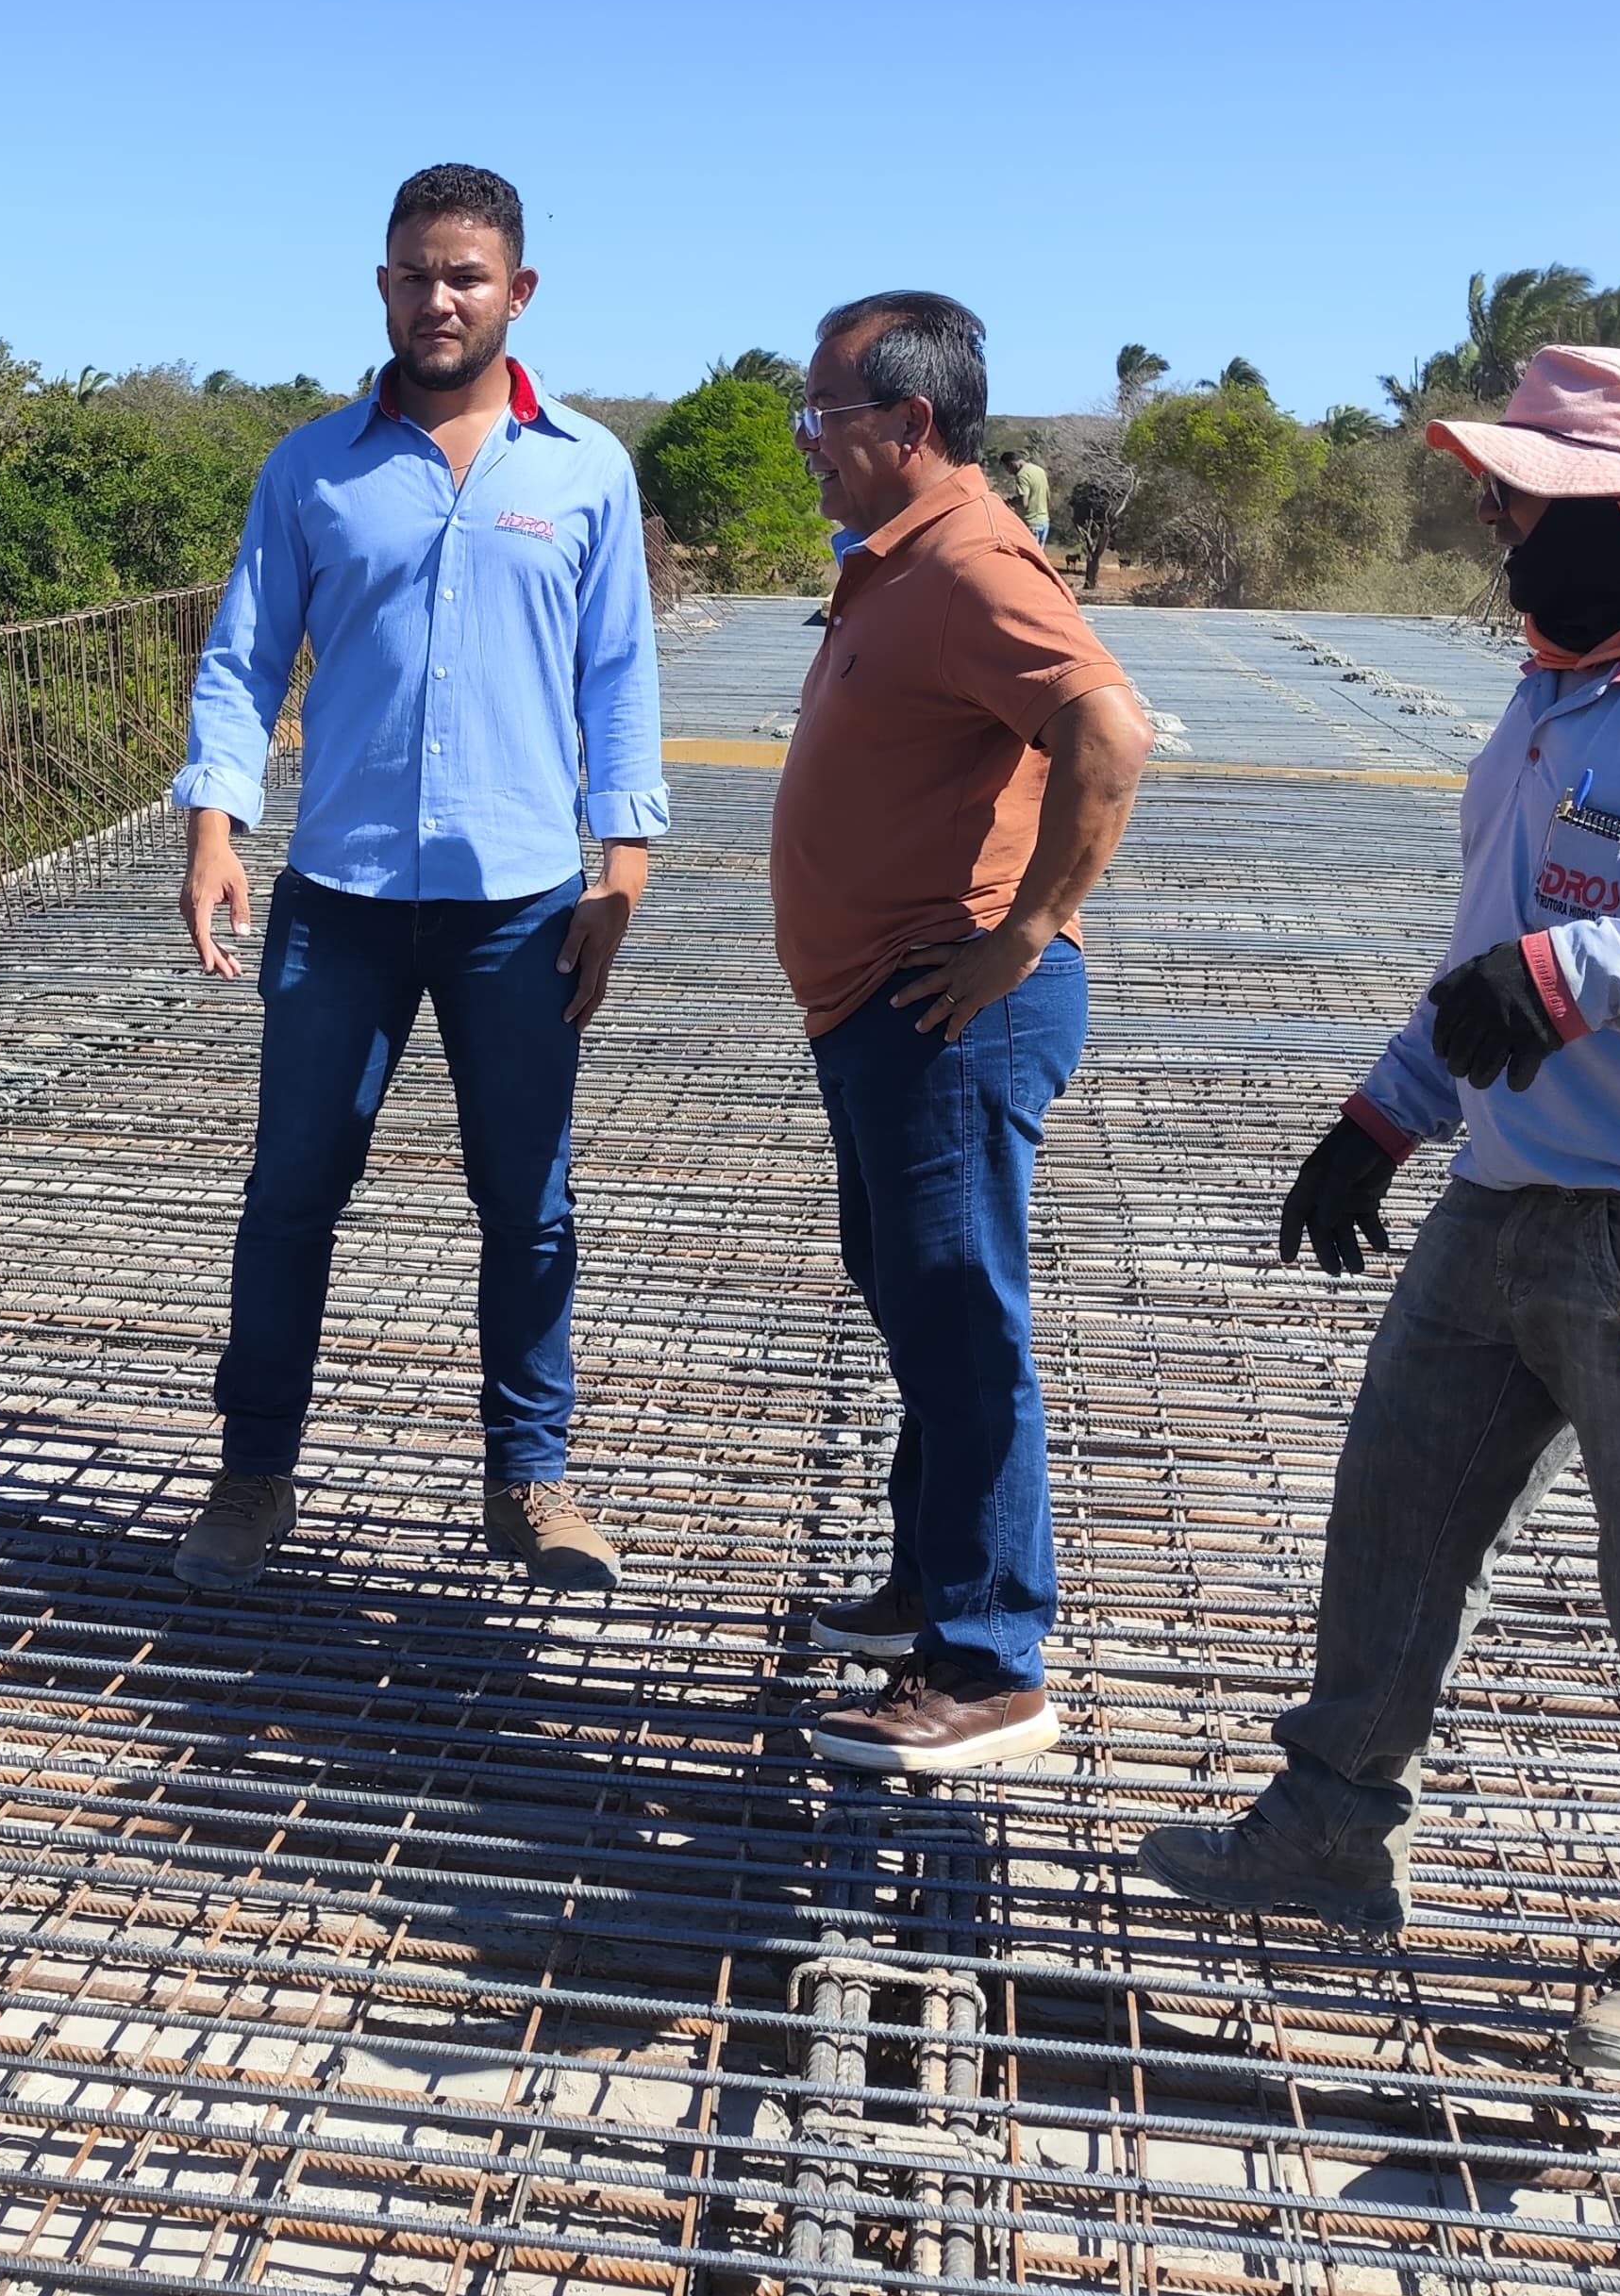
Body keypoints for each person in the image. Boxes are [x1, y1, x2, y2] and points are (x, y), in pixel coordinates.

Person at [1134, 343, 1620, 2077]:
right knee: (1395, 1516)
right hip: (1504, 1201)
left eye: (1526, 501)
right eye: (1496, 498)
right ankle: (1331, 1828)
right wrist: (1383, 1116)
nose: (1495, 531)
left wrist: (1585, 972)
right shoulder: (1556, 689)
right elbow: (1500, 940)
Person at [166, 164, 667, 1595]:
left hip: (520, 902)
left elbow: (618, 674)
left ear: (517, 291)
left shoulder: (584, 470)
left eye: (464, 275)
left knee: (529, 1200)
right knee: (292, 1192)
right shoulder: (313, 465)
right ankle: (254, 1472)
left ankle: (531, 1481)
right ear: (380, 285)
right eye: (410, 273)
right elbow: (245, 657)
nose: (436, 298)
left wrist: (617, 870)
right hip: (342, 897)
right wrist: (217, 823)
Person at [772, 293, 1154, 1772]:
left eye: (827, 417)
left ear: (910, 426)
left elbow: (1106, 732)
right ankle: (937, 1578)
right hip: (884, 1003)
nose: (811, 444)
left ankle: (991, 1661)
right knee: (918, 1296)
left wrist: (1026, 932)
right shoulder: (901, 563)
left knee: (963, 1317)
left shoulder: (976, 561)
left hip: (952, 1010)